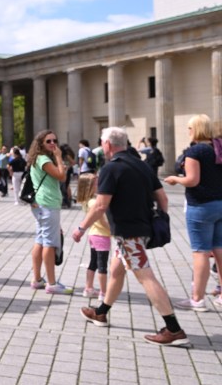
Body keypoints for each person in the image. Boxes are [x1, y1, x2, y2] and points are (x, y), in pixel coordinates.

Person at [74, 126, 189, 346]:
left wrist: (81, 228)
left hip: (128, 233)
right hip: (142, 228)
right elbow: (163, 199)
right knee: (117, 269)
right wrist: (161, 221)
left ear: (107, 144)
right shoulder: (143, 166)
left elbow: (100, 205)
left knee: (145, 276)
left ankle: (173, 329)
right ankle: (101, 311)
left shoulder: (111, 168)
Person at [164, 114, 222, 311]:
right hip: (220, 203)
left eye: (189, 128)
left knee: (201, 252)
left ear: (195, 129)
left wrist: (175, 179)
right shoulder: (218, 147)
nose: (188, 131)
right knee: (219, 249)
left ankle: (197, 299)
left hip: (201, 206)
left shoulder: (195, 151)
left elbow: (192, 180)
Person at [26, 130, 72, 294]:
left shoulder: (37, 158)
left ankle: (37, 279)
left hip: (40, 203)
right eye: (49, 141)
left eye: (55, 140)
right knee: (50, 243)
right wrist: (59, 157)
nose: (53, 143)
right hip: (48, 203)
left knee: (40, 240)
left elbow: (56, 174)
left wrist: (59, 165)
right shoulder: (44, 158)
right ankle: (52, 283)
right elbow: (61, 177)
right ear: (41, 144)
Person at [75, 173, 109, 298]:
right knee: (102, 266)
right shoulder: (95, 202)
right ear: (89, 186)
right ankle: (104, 293)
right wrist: (113, 230)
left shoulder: (87, 201)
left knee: (93, 262)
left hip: (93, 234)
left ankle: (88, 288)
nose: (99, 184)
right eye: (96, 183)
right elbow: (103, 220)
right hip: (102, 235)